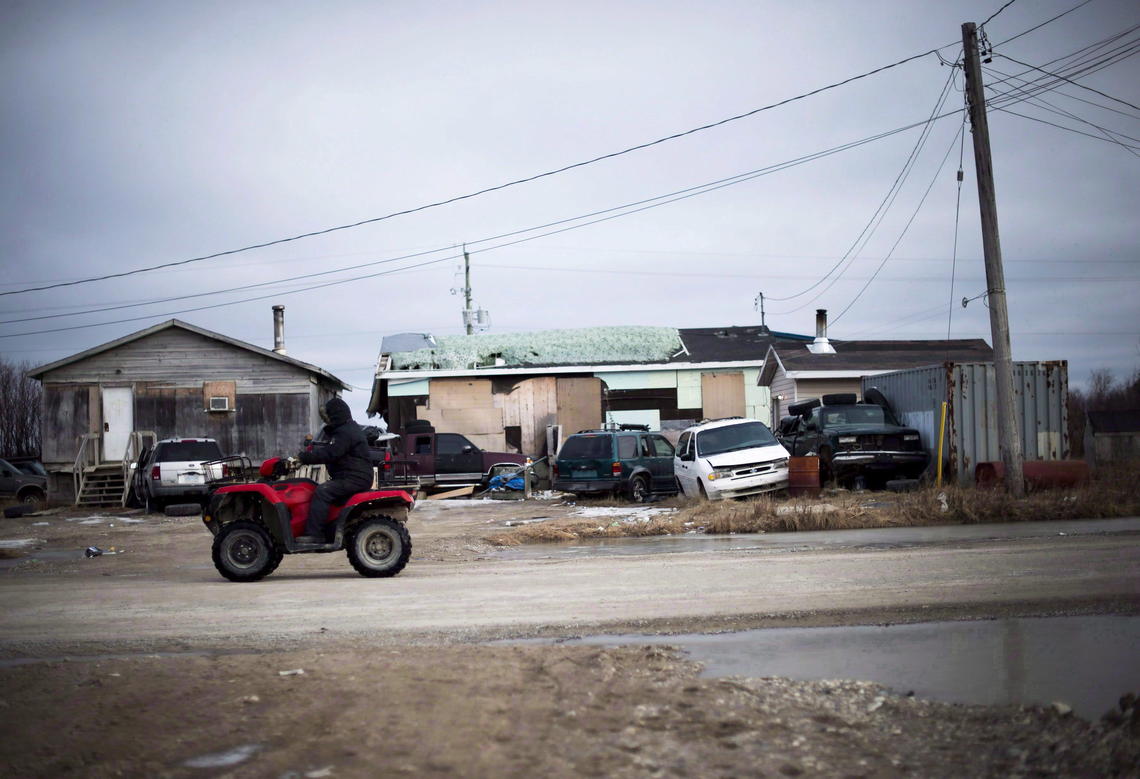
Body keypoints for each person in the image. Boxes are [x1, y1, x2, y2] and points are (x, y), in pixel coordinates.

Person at [295, 397, 373, 544]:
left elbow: (331, 453)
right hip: (353, 476)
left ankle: (314, 534)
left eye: (328, 416)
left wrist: (304, 458)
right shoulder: (347, 429)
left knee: (323, 491)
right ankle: (329, 529)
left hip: (354, 478)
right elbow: (331, 450)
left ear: (336, 414)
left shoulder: (345, 432)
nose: (327, 420)